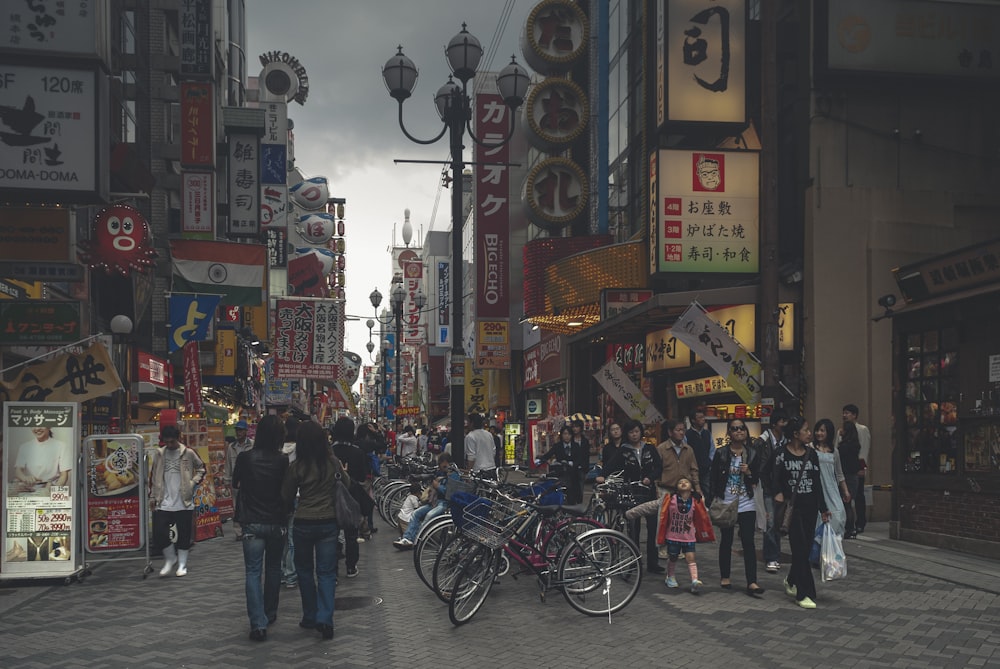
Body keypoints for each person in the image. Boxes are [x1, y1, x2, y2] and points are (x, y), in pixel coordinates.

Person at [281, 420, 350, 640]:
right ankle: (325, 618)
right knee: (327, 572)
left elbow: (286, 495)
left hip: (303, 522)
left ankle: (310, 616)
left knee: (304, 571)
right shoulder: (333, 463)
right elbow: (347, 484)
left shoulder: (297, 466)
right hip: (328, 523)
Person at [232, 415, 289, 642]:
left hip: (252, 521)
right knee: (274, 569)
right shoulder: (283, 460)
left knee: (253, 572)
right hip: (276, 521)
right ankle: (270, 612)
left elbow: (236, 483)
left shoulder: (246, 458)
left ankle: (258, 623)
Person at [772, 416, 830, 610]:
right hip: (792, 508)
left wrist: (823, 508)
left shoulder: (811, 454)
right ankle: (804, 593)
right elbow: (768, 475)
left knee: (804, 549)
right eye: (806, 430)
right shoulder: (781, 454)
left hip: (810, 507)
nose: (810, 433)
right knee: (799, 549)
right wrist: (777, 493)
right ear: (796, 434)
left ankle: (791, 580)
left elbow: (817, 483)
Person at [707, 418, 764, 596]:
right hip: (727, 502)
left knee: (748, 542)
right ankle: (725, 576)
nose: (739, 431)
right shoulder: (721, 453)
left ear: (746, 432)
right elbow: (713, 477)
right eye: (734, 429)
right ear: (729, 433)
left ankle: (752, 582)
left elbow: (756, 479)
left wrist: (748, 472)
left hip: (746, 502)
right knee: (727, 540)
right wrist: (712, 499)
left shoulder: (752, 453)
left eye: (741, 428)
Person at [601, 419, 662, 573]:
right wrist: (600, 476)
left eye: (636, 431)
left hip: (649, 493)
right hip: (632, 494)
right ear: (627, 434)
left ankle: (653, 563)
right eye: (631, 432)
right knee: (633, 529)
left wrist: (651, 478)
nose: (634, 435)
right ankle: (634, 562)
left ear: (641, 432)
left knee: (652, 527)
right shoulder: (623, 450)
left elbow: (659, 467)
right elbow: (610, 466)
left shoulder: (649, 448)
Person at [148, 424, 206, 577]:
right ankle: (170, 558)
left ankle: (182, 564)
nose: (169, 445)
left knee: (184, 534)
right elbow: (154, 477)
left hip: (184, 502)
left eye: (172, 442)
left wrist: (192, 483)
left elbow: (202, 468)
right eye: (166, 442)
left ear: (178, 439)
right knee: (159, 532)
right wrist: (153, 496)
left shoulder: (188, 453)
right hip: (164, 501)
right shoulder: (159, 454)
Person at [393, 452, 461, 548]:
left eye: (442, 463)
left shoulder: (454, 475)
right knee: (415, 513)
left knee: (429, 516)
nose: (441, 466)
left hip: (444, 503)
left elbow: (450, 494)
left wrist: (439, 487)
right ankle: (407, 538)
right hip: (435, 501)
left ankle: (418, 539)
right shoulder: (440, 473)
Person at [330, 417, 369, 578]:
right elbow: (362, 476)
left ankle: (333, 569)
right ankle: (351, 566)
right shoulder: (358, 452)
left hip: (332, 497)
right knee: (351, 533)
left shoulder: (329, 452)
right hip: (352, 497)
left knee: (332, 534)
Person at [651, 476, 702, 593]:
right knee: (673, 557)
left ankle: (694, 581)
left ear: (692, 487)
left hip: (689, 536)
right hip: (673, 535)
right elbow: (660, 510)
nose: (683, 483)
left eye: (686, 482)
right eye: (680, 482)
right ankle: (670, 576)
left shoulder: (695, 501)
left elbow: (702, 517)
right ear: (676, 488)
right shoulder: (671, 499)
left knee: (691, 558)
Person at [758, 408, 789, 574]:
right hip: (768, 487)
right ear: (774, 423)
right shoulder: (763, 441)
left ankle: (773, 555)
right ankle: (771, 557)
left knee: (777, 522)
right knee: (770, 523)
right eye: (781, 421)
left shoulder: (786, 441)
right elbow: (761, 466)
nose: (784, 424)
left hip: (782, 488)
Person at [810, 418, 851, 538]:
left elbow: (839, 474)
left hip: (832, 488)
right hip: (817, 488)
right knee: (819, 518)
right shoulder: (810, 448)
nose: (819, 433)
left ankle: (833, 544)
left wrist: (846, 491)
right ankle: (820, 546)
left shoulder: (835, 452)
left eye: (822, 430)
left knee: (838, 515)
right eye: (817, 430)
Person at [11, 427, 73, 496]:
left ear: (49, 426)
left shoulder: (61, 446)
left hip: (49, 491)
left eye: (41, 425)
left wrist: (53, 490)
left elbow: (64, 475)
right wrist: (25, 478)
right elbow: (18, 470)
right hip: (28, 492)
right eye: (34, 425)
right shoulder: (24, 447)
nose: (37, 428)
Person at [840, 404, 871, 536]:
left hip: (856, 467)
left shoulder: (862, 429)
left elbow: (864, 449)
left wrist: (862, 466)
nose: (844, 415)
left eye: (847, 413)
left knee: (859, 496)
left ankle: (860, 522)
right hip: (845, 468)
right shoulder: (841, 431)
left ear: (854, 415)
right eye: (843, 413)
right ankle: (849, 524)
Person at [226, 420, 254, 540]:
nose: (239, 432)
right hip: (235, 480)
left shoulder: (252, 445)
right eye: (237, 430)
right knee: (236, 506)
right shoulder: (231, 447)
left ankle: (249, 527)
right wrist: (227, 479)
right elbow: (227, 464)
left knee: (249, 504)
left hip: (250, 479)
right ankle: (238, 532)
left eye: (241, 430)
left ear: (246, 431)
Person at [280, 417, 300, 590]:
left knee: (282, 537)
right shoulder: (300, 449)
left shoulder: (278, 448)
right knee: (293, 538)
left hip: (279, 495)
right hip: (297, 494)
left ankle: (281, 573)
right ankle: (291, 575)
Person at [838, 421, 863, 538]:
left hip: (845, 476)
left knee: (845, 504)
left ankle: (849, 528)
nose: (840, 430)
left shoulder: (843, 447)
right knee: (849, 503)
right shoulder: (856, 445)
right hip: (854, 476)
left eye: (842, 428)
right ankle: (851, 528)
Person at [685, 408, 714, 498]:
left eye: (703, 417)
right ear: (693, 420)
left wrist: (709, 462)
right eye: (700, 417)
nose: (703, 419)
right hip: (691, 471)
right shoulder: (687, 435)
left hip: (706, 470)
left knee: (708, 493)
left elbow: (712, 450)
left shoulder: (707, 433)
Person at [465, 413, 498, 477]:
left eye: (468, 422)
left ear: (472, 423)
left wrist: (469, 472)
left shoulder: (470, 436)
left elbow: (471, 457)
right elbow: (493, 452)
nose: (467, 424)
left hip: (478, 471)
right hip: (491, 468)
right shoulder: (489, 434)